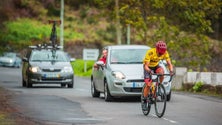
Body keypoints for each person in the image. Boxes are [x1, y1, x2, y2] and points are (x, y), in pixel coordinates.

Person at [142, 41, 174, 107]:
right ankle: (144, 100)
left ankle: (159, 85)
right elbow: (146, 66)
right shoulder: (150, 52)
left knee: (162, 72)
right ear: (156, 49)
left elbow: (169, 63)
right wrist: (149, 71)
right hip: (148, 67)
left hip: (156, 66)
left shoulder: (165, 53)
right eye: (159, 53)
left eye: (162, 53)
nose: (161, 55)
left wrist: (171, 71)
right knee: (148, 85)